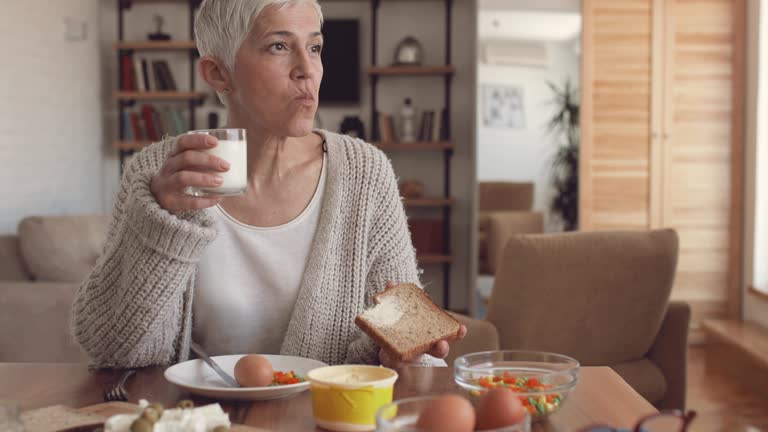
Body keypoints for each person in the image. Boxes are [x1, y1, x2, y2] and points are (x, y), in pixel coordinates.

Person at [71, 0, 465, 369]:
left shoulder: (366, 173)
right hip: (194, 416)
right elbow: (113, 351)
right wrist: (160, 222)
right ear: (217, 73)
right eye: (279, 46)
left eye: (314, 48)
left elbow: (400, 343)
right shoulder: (159, 174)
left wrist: (397, 353)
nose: (307, 70)